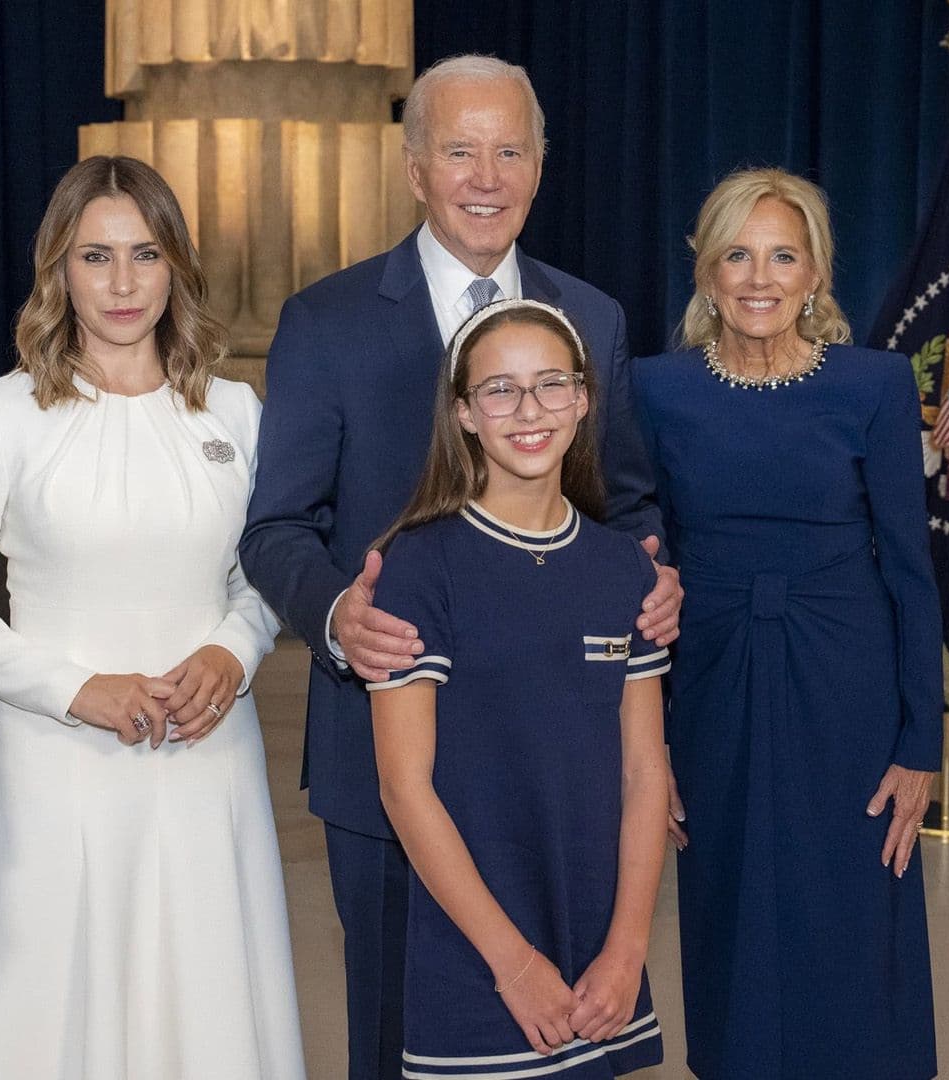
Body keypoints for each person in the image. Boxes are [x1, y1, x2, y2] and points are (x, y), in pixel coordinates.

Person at [239, 54, 682, 1080]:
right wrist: (340, 614)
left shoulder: (595, 319)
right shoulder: (328, 321)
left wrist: (657, 576)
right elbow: (275, 530)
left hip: (559, 764)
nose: (486, 175)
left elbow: (629, 502)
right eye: (459, 150)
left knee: (573, 1036)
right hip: (394, 769)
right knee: (401, 1044)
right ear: (413, 169)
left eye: (510, 150)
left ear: (540, 167)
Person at [0, 156, 305, 1080]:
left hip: (207, 761)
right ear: (58, 269)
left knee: (208, 1012)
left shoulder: (237, 411)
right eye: (96, 256)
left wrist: (233, 648)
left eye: (144, 253)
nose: (124, 282)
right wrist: (76, 688)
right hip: (52, 774)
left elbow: (264, 575)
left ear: (176, 263)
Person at [633, 167, 941, 1078]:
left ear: (815, 275)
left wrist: (921, 741)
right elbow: (642, 572)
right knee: (727, 900)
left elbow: (912, 575)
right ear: (706, 272)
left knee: (851, 904)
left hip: (849, 684)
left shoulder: (875, 384)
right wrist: (647, 747)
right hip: (714, 680)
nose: (758, 277)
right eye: (737, 254)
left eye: (782, 255)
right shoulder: (655, 389)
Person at [369, 299, 670, 1078]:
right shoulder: (420, 566)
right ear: (464, 413)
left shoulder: (623, 568)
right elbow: (406, 788)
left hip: (598, 948)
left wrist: (628, 948)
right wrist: (513, 964)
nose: (529, 411)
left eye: (551, 385)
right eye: (499, 390)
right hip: (477, 946)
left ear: (585, 399)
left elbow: (645, 773)